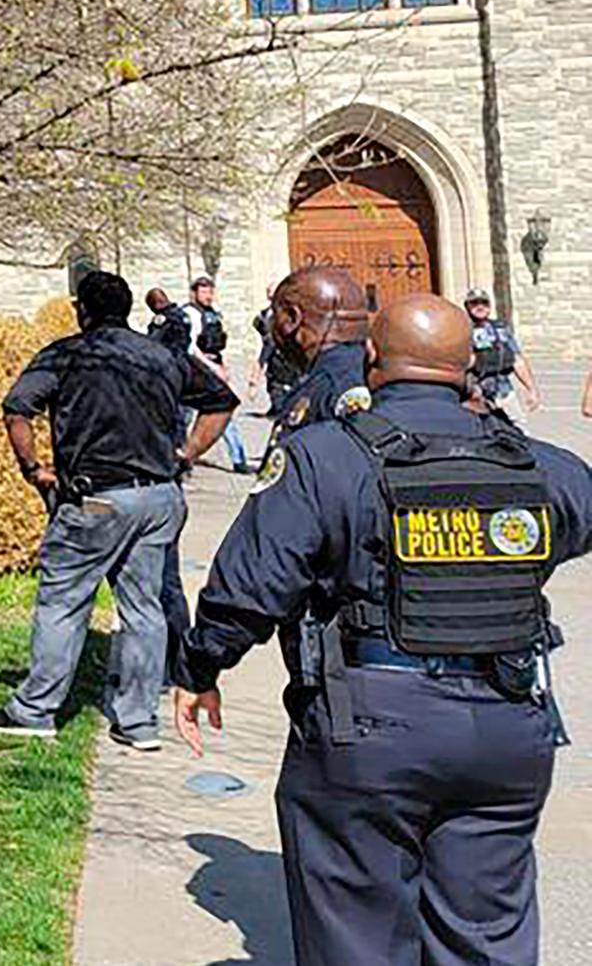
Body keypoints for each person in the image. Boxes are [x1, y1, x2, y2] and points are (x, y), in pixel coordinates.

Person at [176, 292, 592, 966]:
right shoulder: (537, 464)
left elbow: (252, 583)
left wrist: (202, 667)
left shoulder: (324, 457)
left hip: (372, 725)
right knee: (485, 936)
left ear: (372, 356)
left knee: (358, 934)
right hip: (507, 723)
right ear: (469, 365)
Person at [0, 270, 237, 751]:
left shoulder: (67, 354)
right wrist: (186, 453)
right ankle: (137, 722)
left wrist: (33, 469)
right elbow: (221, 402)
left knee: (63, 602)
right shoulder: (162, 356)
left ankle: (35, 709)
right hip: (158, 498)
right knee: (144, 608)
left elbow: (17, 410)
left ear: (83, 311)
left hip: (96, 500)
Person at [267, 266, 373, 444]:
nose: (272, 324)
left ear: (292, 318)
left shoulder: (332, 384)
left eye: (275, 315)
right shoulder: (372, 368)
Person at [187, 277, 251, 474]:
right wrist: (211, 366)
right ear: (194, 293)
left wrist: (221, 366)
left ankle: (239, 459)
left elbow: (216, 343)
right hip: (195, 369)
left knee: (223, 409)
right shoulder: (191, 314)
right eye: (204, 291)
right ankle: (181, 457)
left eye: (210, 291)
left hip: (213, 365)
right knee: (184, 417)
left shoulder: (213, 314)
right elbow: (191, 346)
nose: (208, 296)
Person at [465, 289, 544, 414]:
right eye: (474, 303)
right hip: (476, 393)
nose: (480, 307)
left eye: (484, 303)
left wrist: (531, 389)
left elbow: (517, 360)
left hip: (504, 391)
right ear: (467, 306)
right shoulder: (462, 329)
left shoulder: (501, 328)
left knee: (517, 424)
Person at [145, 286, 192, 357]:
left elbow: (154, 341)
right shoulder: (182, 314)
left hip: (170, 356)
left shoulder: (162, 319)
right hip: (184, 355)